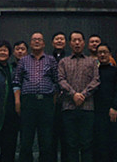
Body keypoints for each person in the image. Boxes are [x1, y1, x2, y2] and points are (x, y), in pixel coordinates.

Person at [13, 32, 58, 162]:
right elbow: (16, 81)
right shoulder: (23, 60)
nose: (37, 42)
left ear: (44, 43)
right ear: (30, 43)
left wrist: (52, 102)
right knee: (26, 140)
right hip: (28, 102)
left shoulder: (51, 60)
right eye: (34, 40)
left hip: (46, 102)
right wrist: (17, 101)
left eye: (39, 40)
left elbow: (57, 81)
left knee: (46, 140)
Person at [58, 30, 100, 162]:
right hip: (68, 108)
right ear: (70, 43)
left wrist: (83, 95)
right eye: (74, 40)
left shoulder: (91, 62)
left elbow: (96, 80)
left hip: (87, 108)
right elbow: (60, 80)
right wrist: (73, 94)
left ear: (84, 43)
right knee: (71, 144)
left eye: (79, 40)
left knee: (87, 143)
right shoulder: (63, 62)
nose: (77, 43)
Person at [94, 43, 117, 162]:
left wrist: (114, 107)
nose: (102, 55)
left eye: (105, 52)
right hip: (99, 113)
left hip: (114, 111)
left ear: (110, 54)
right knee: (102, 146)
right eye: (100, 52)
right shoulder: (94, 72)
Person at [52, 31, 68, 162]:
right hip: (51, 102)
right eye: (57, 39)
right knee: (51, 137)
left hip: (67, 101)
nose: (59, 41)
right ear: (52, 42)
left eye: (61, 39)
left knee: (66, 137)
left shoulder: (69, 58)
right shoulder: (47, 58)